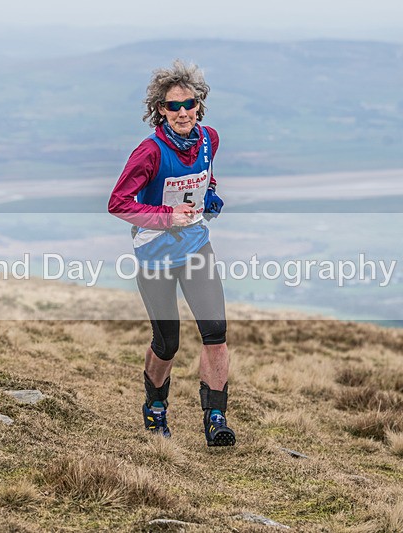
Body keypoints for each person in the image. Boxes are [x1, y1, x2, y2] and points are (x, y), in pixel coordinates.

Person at [109, 60, 234, 447]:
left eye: (189, 104)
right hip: (155, 256)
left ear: (199, 105)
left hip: (196, 246)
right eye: (173, 106)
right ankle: (155, 407)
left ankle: (216, 417)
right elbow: (118, 203)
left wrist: (210, 197)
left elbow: (205, 177)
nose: (183, 112)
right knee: (168, 343)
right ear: (159, 109)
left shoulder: (209, 138)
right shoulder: (148, 152)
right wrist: (167, 215)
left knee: (215, 333)